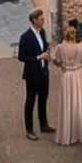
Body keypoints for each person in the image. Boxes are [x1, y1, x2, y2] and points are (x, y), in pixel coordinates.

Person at [50, 21, 82, 145]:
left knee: (67, 102)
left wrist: (63, 65)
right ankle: (80, 131)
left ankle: (67, 132)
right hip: (79, 75)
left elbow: (56, 61)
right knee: (79, 102)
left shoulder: (60, 47)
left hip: (67, 76)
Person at [18, 8, 51, 139]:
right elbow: (21, 57)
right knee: (30, 100)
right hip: (32, 74)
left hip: (43, 72)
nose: (43, 21)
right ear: (34, 20)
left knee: (43, 99)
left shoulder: (42, 32)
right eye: (41, 19)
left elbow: (44, 47)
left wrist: (47, 54)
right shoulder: (25, 37)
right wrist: (38, 57)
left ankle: (44, 124)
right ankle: (29, 129)